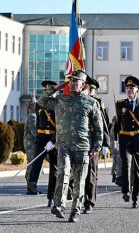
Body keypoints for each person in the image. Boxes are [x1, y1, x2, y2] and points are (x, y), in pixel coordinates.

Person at [39, 70, 103, 223]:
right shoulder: (61, 100)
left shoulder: (91, 102)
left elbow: (98, 127)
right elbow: (42, 101)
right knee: (62, 173)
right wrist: (58, 87)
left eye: (76, 81)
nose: (73, 83)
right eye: (71, 81)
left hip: (82, 147)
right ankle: (59, 205)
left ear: (83, 85)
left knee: (80, 180)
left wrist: (97, 146)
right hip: (63, 146)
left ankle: (75, 210)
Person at [114, 76, 139, 208]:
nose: (129, 90)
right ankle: (126, 191)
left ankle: (136, 197)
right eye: (127, 88)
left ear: (137, 90)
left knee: (138, 169)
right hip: (125, 138)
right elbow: (118, 123)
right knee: (125, 165)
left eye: (132, 88)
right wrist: (115, 139)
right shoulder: (120, 104)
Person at [27, 80, 58, 208]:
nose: (48, 94)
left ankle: (52, 196)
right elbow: (39, 121)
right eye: (46, 91)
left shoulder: (58, 105)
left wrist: (54, 140)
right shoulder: (40, 105)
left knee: (54, 168)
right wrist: (38, 138)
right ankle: (32, 183)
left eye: (50, 91)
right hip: (41, 137)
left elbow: (60, 125)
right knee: (36, 160)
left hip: (53, 137)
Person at [82, 76, 110, 214]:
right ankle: (78, 198)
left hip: (93, 141)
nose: (88, 90)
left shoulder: (98, 103)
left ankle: (89, 202)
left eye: (90, 89)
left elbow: (104, 123)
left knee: (91, 173)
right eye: (86, 87)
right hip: (80, 141)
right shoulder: (79, 100)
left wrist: (105, 142)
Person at [23, 101, 36, 186]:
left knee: (32, 163)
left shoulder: (33, 116)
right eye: (35, 105)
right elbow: (34, 132)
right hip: (31, 144)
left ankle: (30, 183)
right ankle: (29, 183)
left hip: (31, 143)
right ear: (31, 107)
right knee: (31, 163)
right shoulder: (32, 117)